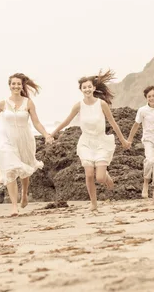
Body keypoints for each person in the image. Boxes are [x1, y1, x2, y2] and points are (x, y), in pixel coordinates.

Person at [51, 70, 131, 212]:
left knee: (99, 178)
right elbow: (67, 121)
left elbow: (113, 123)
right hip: (86, 142)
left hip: (101, 142)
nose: (87, 89)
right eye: (84, 87)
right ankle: (93, 203)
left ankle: (105, 175)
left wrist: (123, 140)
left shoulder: (101, 104)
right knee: (88, 174)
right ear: (81, 90)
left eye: (89, 86)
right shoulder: (78, 106)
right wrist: (52, 133)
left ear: (94, 88)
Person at [0, 73, 53, 216]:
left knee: (25, 168)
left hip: (25, 140)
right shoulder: (3, 103)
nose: (16, 86)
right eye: (13, 84)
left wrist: (46, 134)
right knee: (10, 169)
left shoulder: (28, 103)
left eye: (18, 84)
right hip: (6, 140)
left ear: (22, 85)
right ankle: (14, 206)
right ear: (9, 85)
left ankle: (24, 193)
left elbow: (36, 122)